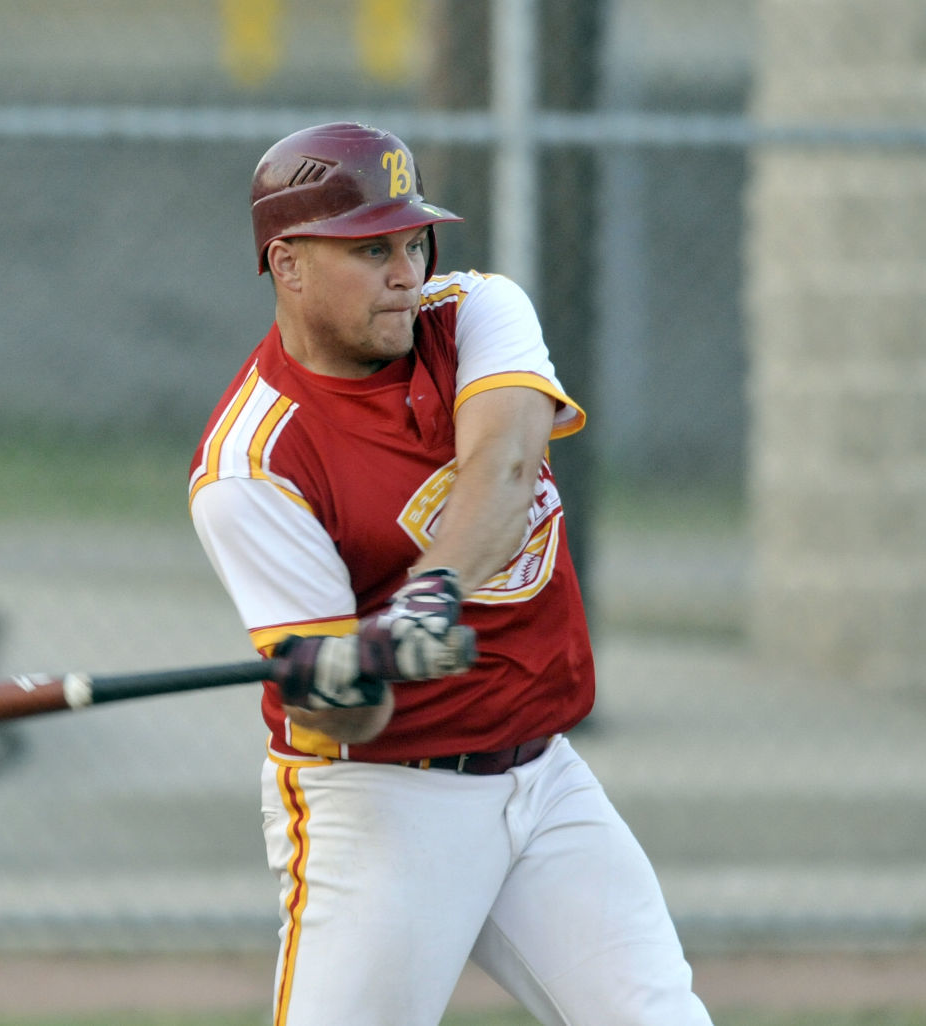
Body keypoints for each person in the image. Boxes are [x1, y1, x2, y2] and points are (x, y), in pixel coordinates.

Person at [188, 121, 713, 1026]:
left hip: (544, 780)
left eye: (413, 239)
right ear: (287, 263)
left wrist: (426, 596)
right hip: (384, 803)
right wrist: (344, 677)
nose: (407, 271)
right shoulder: (252, 467)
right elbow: (353, 717)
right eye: (370, 250)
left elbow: (506, 470)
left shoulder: (475, 311)